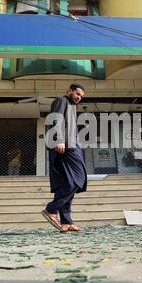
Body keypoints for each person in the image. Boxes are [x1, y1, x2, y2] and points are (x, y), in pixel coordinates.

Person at [42, 83, 87, 233]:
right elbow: (55, 119)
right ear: (69, 91)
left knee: (67, 181)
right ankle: (51, 209)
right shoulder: (61, 100)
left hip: (71, 145)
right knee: (78, 178)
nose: (79, 97)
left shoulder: (72, 106)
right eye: (77, 94)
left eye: (81, 96)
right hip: (66, 146)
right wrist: (59, 139)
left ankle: (66, 222)